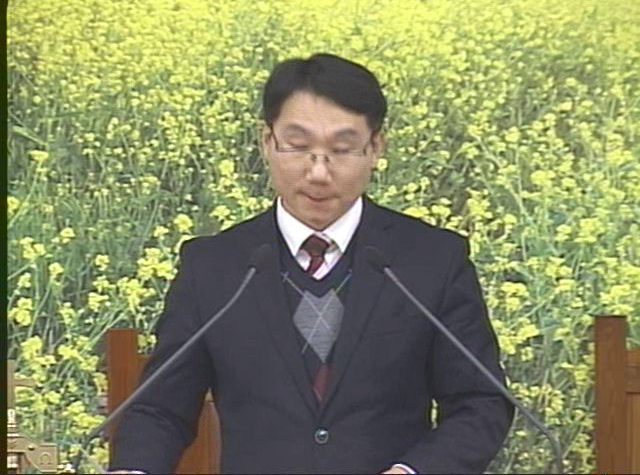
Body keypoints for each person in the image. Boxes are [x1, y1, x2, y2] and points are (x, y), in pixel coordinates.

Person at [109, 53, 513, 474]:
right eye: (299, 147)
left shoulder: (432, 260)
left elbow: (480, 402)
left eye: (342, 149)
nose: (318, 172)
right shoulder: (213, 267)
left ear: (376, 147)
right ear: (267, 142)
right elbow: (161, 409)